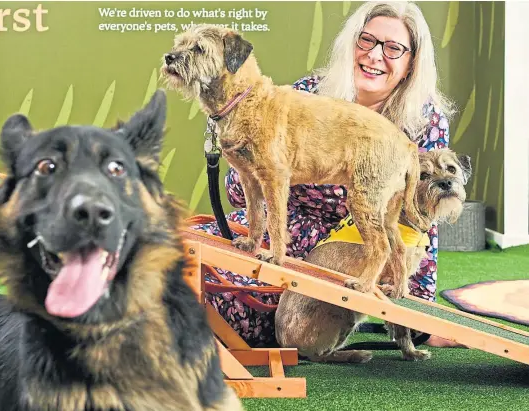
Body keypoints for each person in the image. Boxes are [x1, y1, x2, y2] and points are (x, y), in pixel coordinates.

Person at [191, 1, 460, 348]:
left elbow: (423, 214)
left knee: (234, 302)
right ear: (353, 45)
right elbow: (239, 194)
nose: (375, 55)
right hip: (283, 228)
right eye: (367, 41)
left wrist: (420, 303)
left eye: (393, 48)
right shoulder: (307, 92)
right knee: (187, 258)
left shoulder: (425, 122)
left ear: (411, 62)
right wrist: (246, 157)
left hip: (345, 249)